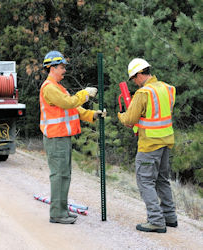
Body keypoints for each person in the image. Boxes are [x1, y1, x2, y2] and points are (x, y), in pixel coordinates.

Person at [39, 50, 106, 224]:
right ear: (52, 68)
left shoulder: (59, 88)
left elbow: (73, 109)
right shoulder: (49, 88)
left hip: (62, 138)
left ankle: (61, 211)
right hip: (55, 138)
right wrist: (84, 94)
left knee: (64, 175)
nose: (64, 70)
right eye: (62, 67)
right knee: (59, 175)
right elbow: (69, 103)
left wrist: (93, 114)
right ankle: (57, 214)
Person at [118, 58, 177, 233]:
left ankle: (156, 220)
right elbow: (160, 115)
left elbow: (129, 119)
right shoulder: (168, 89)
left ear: (139, 74)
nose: (134, 82)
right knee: (162, 180)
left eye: (133, 78)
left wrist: (120, 115)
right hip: (166, 141)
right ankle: (170, 217)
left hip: (149, 144)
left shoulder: (143, 93)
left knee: (145, 181)